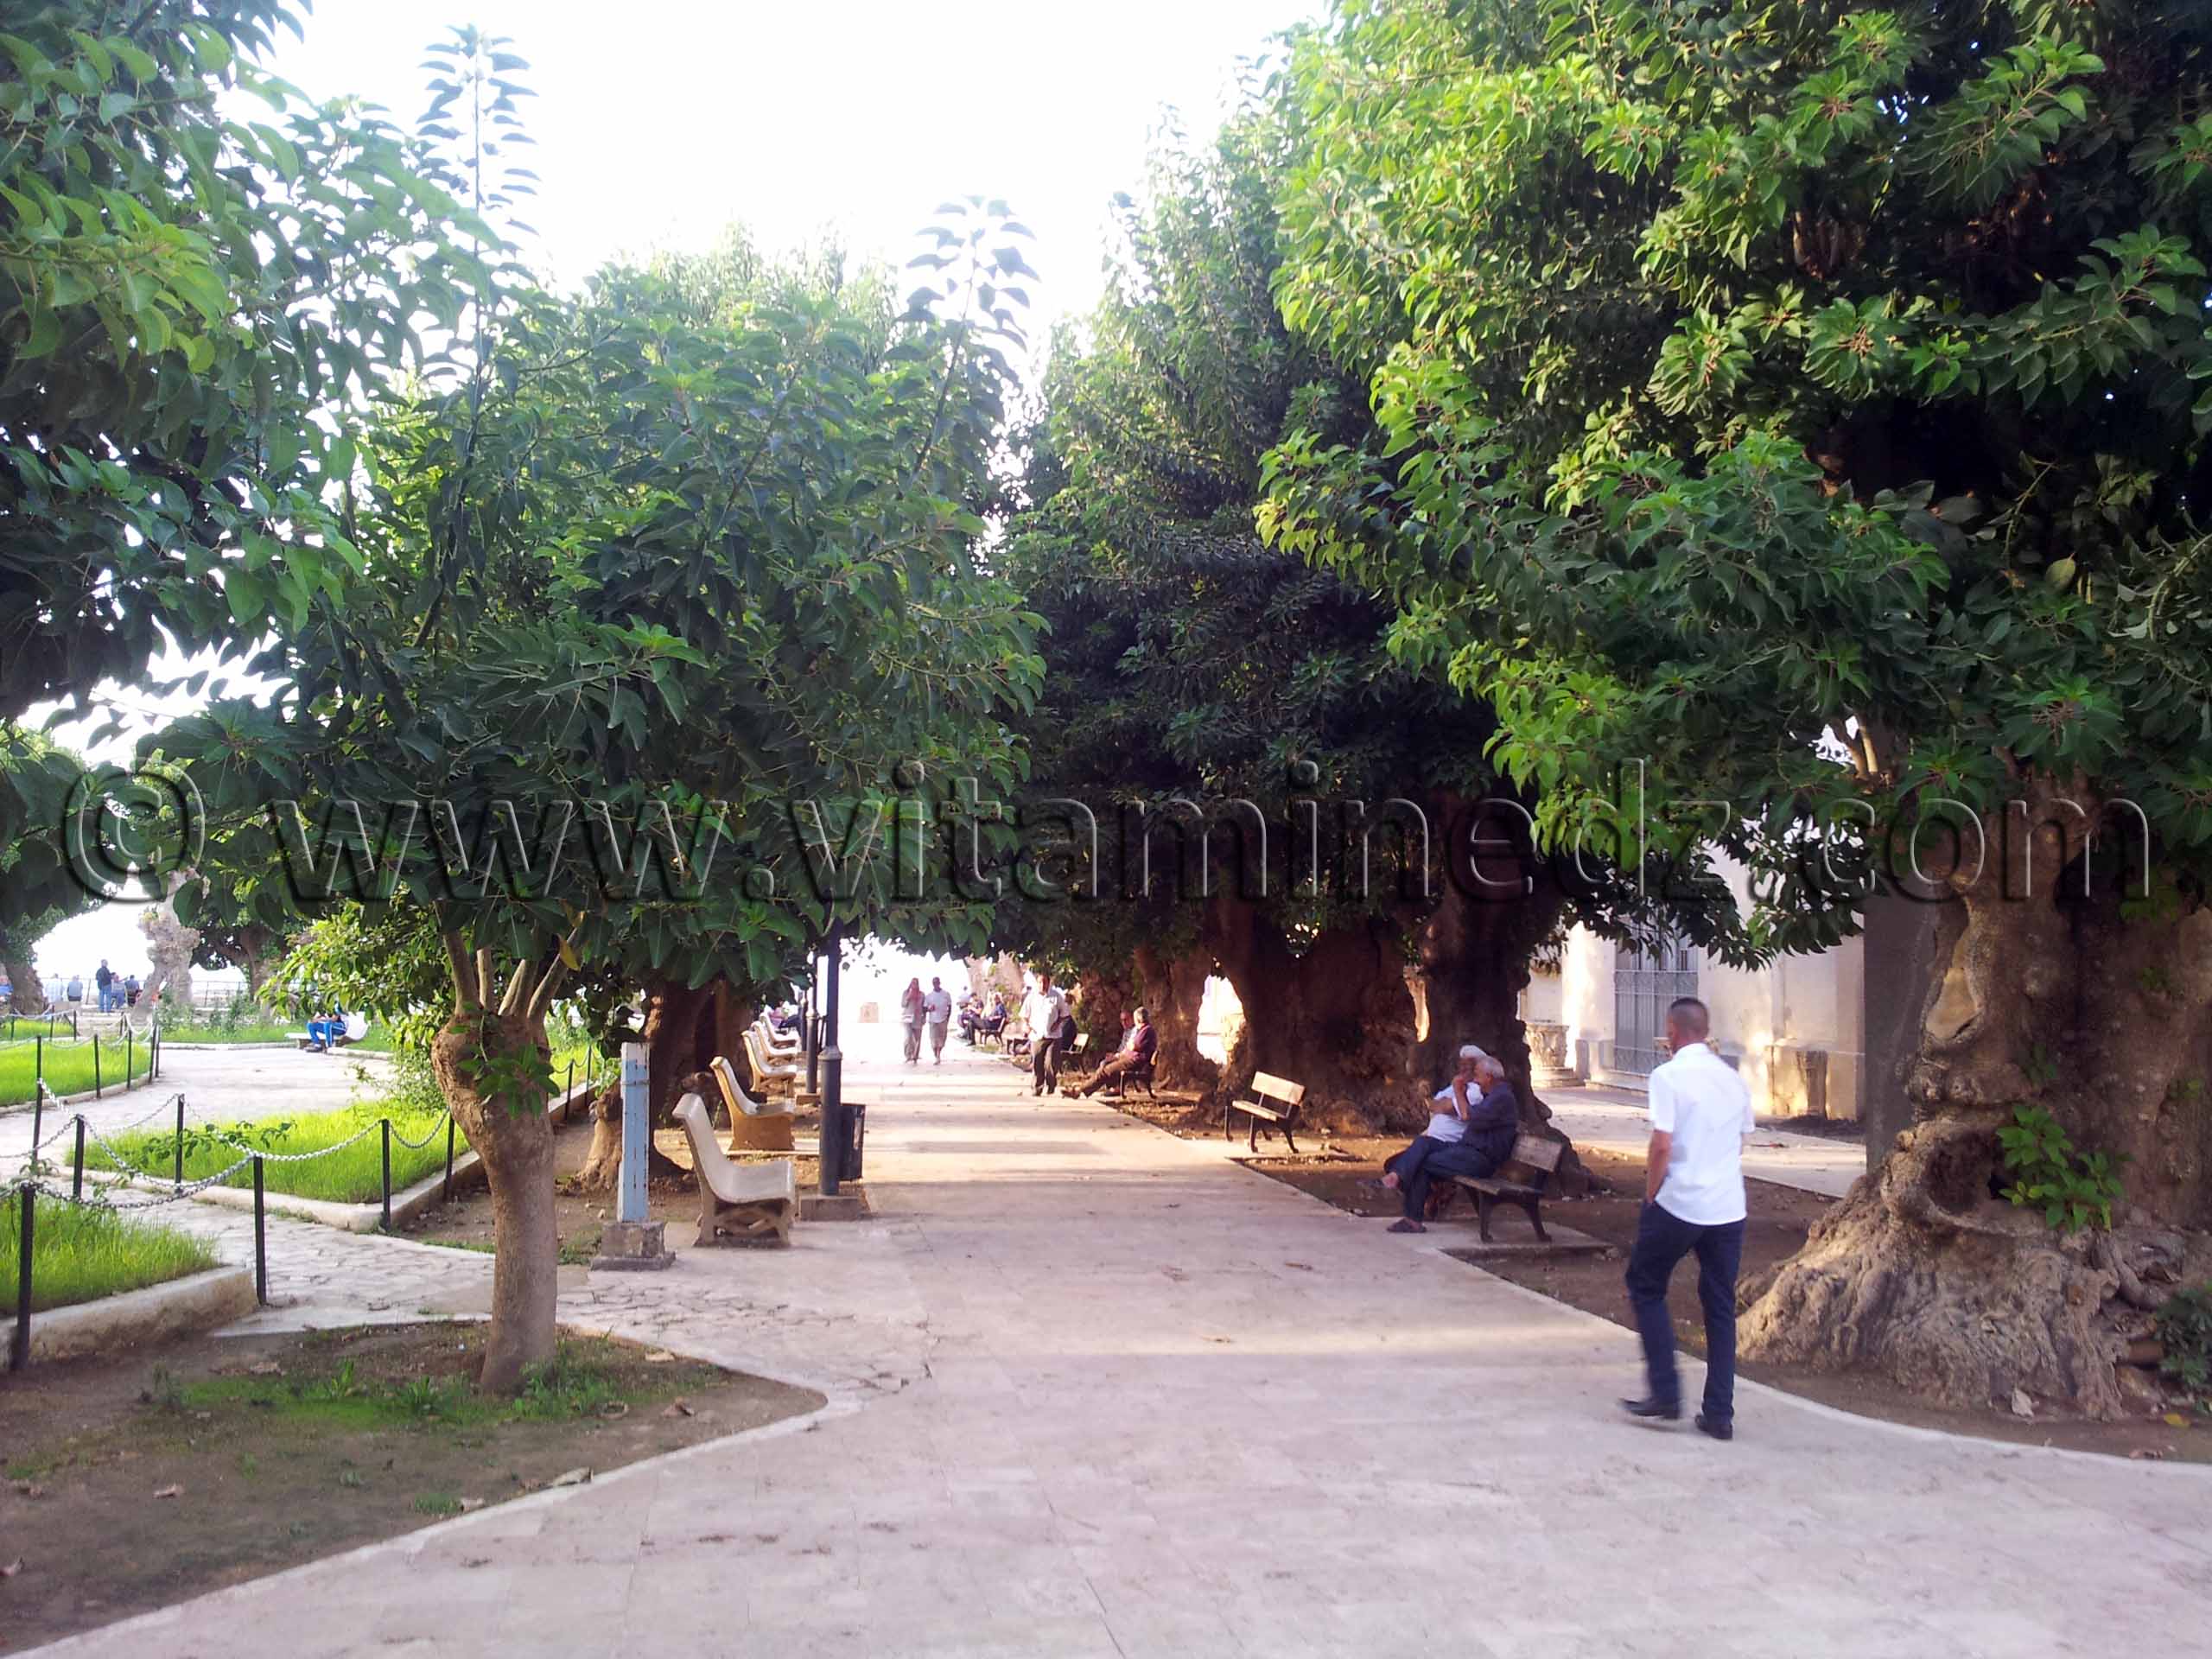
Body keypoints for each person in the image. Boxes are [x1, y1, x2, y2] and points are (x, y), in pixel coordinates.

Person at [1621, 996, 1755, 1442]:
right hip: (1727, 1207)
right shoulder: (1733, 1080)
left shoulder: (1667, 1075)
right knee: (1719, 1306)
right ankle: (1719, 1412)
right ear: (1707, 1030)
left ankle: (1666, 1392)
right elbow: (1739, 1143)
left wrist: (1650, 1192)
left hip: (1678, 1201)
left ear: (1672, 1031)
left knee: (1646, 1284)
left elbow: (1662, 1144)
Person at [1370, 1047, 1519, 1232]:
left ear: (1489, 1077)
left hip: (1480, 1159)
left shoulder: (1501, 1098)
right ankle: (1395, 1178)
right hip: (1466, 1151)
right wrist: (1460, 1094)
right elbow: (1447, 1108)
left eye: (1478, 1076)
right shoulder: (1493, 1095)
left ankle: (1412, 1219)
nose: (1476, 1080)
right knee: (1424, 1143)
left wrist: (1458, 1091)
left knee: (1422, 1162)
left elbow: (1465, 1115)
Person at [1072, 1007, 1158, 1097]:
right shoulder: (1142, 1030)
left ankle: (1080, 1090)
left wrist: (1130, 1046)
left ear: (1138, 1019)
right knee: (1105, 1066)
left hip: (1134, 1061)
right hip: (1129, 1058)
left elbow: (1134, 1046)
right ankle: (1083, 1089)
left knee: (1106, 1071)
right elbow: (1131, 1046)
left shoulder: (1146, 1030)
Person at [1022, 973, 1067, 1096]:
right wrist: (1028, 1026)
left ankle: (1051, 1084)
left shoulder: (1056, 996)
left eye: (1045, 982)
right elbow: (1024, 1015)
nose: (1043, 985)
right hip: (1037, 1035)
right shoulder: (1031, 997)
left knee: (1050, 1063)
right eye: (1040, 982)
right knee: (1037, 1063)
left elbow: (1064, 1013)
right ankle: (1037, 1087)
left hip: (1053, 1036)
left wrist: (1057, 1024)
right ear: (1037, 983)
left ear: (1049, 983)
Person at [922, 976, 954, 1062]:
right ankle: (936, 1054)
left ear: (939, 983)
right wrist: (929, 1009)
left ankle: (938, 1055)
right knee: (933, 1039)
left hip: (943, 1019)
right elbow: (924, 1009)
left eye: (937, 982)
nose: (935, 984)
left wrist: (948, 1017)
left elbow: (950, 1006)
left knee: (942, 1038)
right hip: (933, 1020)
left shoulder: (946, 994)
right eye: (934, 983)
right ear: (932, 984)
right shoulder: (929, 996)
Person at [899, 977, 925, 1065]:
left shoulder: (921, 994)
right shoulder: (906, 993)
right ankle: (908, 1055)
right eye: (912, 983)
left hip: (918, 1018)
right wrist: (908, 997)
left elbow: (924, 1007)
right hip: (907, 1017)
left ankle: (915, 1056)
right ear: (910, 984)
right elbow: (903, 1005)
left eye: (916, 983)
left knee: (917, 1038)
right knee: (908, 1037)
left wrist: (924, 1017)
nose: (914, 985)